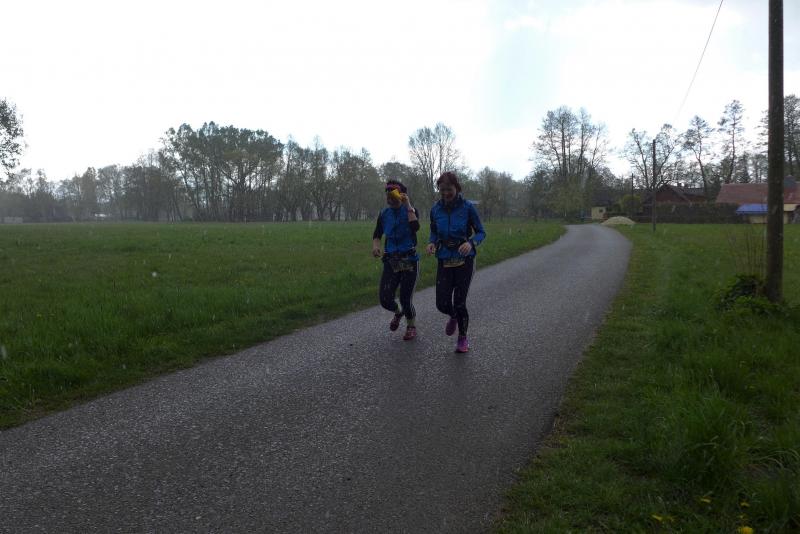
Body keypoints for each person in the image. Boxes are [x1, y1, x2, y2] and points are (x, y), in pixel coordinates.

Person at [425, 171, 485, 353]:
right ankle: (453, 316)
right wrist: (431, 243)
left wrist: (471, 243)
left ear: (457, 188)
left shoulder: (467, 207)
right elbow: (434, 231)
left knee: (459, 302)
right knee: (441, 303)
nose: (445, 193)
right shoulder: (435, 209)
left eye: (449, 189)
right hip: (444, 259)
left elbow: (481, 232)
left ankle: (463, 337)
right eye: (442, 189)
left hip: (465, 261)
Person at [373, 179, 421, 340]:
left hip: (409, 260)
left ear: (401, 195)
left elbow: (415, 227)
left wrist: (408, 206)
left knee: (405, 298)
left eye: (393, 196)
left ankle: (411, 325)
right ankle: (398, 312)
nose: (390, 200)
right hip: (391, 261)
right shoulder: (384, 214)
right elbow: (377, 234)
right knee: (385, 298)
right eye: (387, 196)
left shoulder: (411, 210)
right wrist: (376, 246)